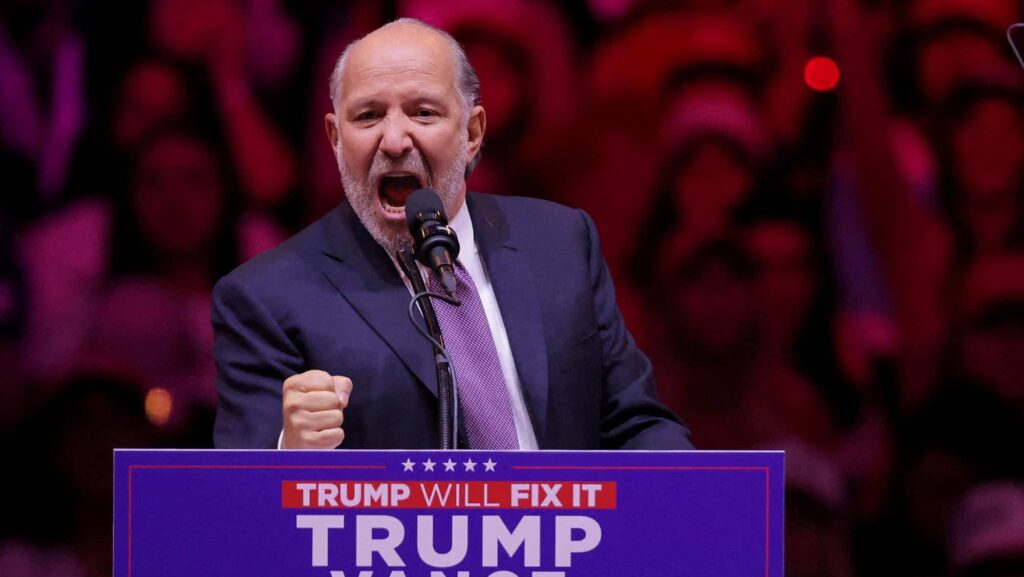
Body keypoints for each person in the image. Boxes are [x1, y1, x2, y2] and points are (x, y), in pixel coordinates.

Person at [211, 18, 692, 451]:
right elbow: (236, 499)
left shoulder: (561, 242)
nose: (394, 140)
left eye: (423, 113)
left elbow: (636, 423)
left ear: (473, 133)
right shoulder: (266, 298)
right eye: (368, 116)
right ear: (336, 139)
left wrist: (698, 501)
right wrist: (289, 451)